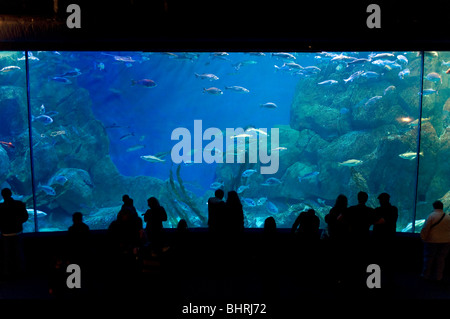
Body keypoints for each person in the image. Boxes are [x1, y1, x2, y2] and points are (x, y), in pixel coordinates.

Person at [0, 188, 28, 277]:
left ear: (2, 195)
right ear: (11, 194)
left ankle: (7, 273)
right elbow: (25, 217)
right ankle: (21, 272)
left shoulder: (0, 207)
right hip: (17, 233)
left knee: (6, 254)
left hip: (5, 234)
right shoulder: (19, 204)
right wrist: (17, 222)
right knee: (19, 253)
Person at [420, 200, 450, 281]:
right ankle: (439, 277)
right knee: (441, 259)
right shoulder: (448, 217)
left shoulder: (431, 216)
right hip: (445, 241)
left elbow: (426, 228)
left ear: (434, 207)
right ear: (442, 207)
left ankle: (425, 275)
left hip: (432, 241)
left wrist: (423, 238)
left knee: (428, 258)